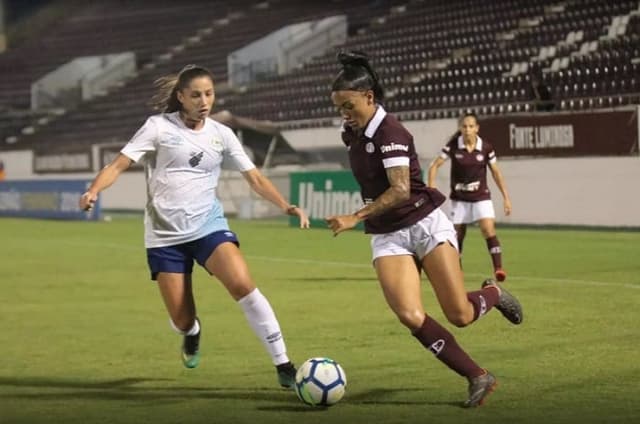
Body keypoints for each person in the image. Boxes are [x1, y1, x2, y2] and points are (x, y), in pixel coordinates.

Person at [79, 64, 309, 388]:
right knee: (182, 320)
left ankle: (283, 363)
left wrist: (286, 205)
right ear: (181, 97)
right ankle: (193, 332)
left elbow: (254, 177)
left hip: (208, 227)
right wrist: (93, 190)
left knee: (243, 285)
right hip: (164, 237)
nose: (204, 101)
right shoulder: (157, 127)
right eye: (196, 95)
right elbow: (118, 165)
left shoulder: (221, 135)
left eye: (209, 94)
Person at [325, 52, 523, 408]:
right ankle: (478, 376)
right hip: (388, 234)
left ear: (369, 97)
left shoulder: (392, 132)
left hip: (423, 223)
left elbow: (400, 190)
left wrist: (355, 216)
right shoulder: (353, 130)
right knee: (410, 315)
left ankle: (492, 295)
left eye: (349, 105)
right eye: (339, 107)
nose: (344, 114)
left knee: (459, 314)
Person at [427, 113, 512, 282]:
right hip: (459, 199)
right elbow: (434, 166)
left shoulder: (486, 147)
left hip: (481, 197)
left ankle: (498, 269)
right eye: (464, 126)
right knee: (457, 236)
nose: (467, 130)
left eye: (471, 126)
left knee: (488, 229)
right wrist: (431, 187)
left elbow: (496, 172)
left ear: (477, 128)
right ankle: (458, 269)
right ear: (460, 128)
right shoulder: (453, 145)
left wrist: (506, 197)